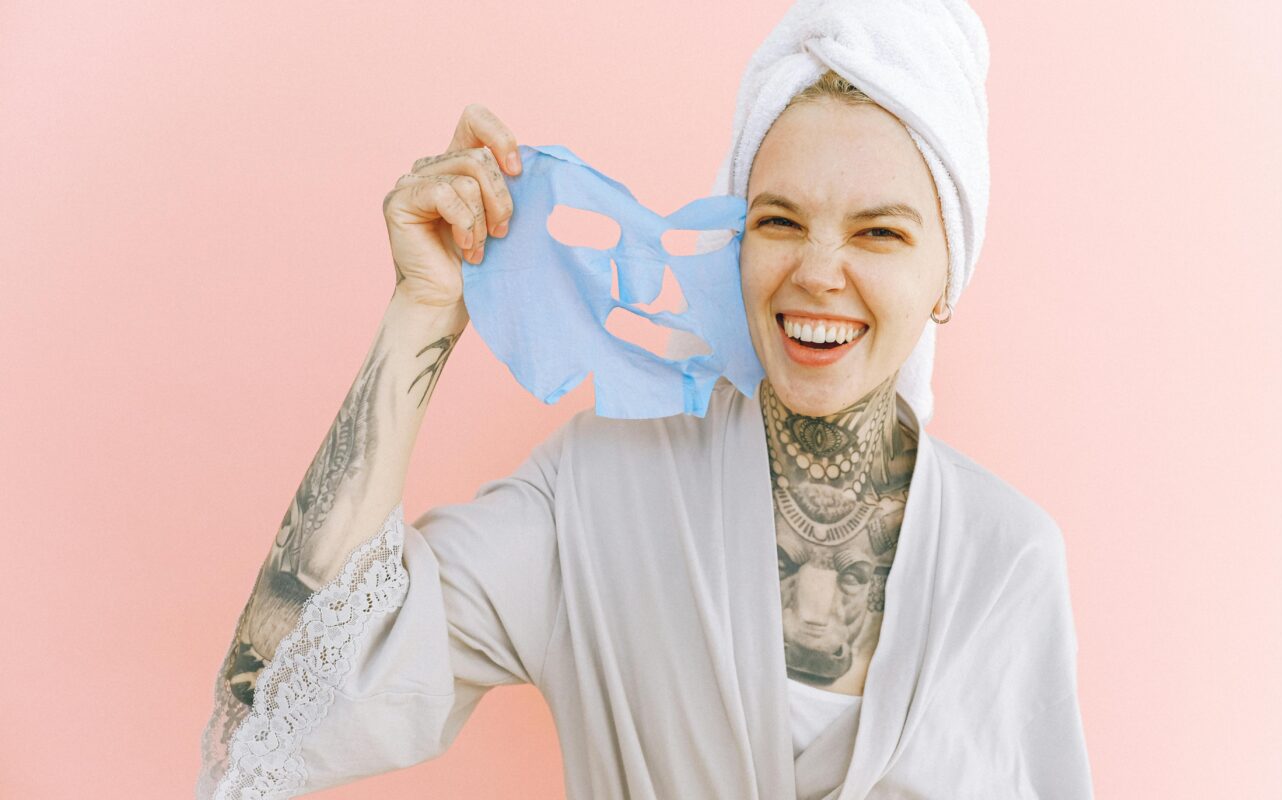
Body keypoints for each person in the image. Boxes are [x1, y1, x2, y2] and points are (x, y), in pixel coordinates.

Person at [197, 7, 1092, 800]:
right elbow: (277, 711)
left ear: (948, 274)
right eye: (778, 221)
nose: (819, 271)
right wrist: (421, 310)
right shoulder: (594, 489)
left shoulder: (1008, 561)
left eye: (881, 232)